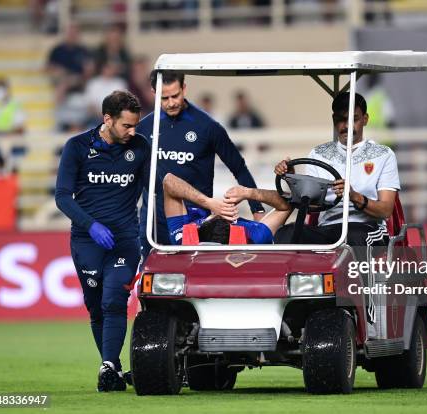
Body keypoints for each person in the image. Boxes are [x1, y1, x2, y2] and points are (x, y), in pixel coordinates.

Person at [55, 91, 149, 392]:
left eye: (135, 125)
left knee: (114, 301)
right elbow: (62, 197)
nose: (132, 132)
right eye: (127, 126)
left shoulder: (140, 147)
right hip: (87, 240)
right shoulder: (77, 147)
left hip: (124, 239)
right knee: (95, 307)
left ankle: (107, 367)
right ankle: (114, 369)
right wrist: (90, 224)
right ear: (107, 119)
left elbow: (153, 191)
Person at [136, 70, 265, 260]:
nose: (171, 102)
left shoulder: (207, 127)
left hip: (194, 221)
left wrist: (257, 209)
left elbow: (238, 167)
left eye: (175, 96)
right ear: (154, 93)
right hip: (153, 220)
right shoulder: (145, 128)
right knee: (151, 279)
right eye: (164, 98)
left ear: (184, 89)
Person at [273, 91, 399, 247]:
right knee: (286, 233)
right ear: (334, 120)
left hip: (366, 227)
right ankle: (297, 272)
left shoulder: (384, 154)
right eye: (341, 120)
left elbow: (386, 210)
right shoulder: (318, 154)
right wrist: (293, 180)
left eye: (354, 119)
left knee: (355, 239)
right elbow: (310, 206)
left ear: (365, 119)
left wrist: (354, 196)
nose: (347, 126)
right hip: (327, 228)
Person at [161, 173, 292, 245]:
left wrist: (208, 202)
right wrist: (249, 193)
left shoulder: (183, 239)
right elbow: (286, 205)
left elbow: (169, 181)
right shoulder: (255, 236)